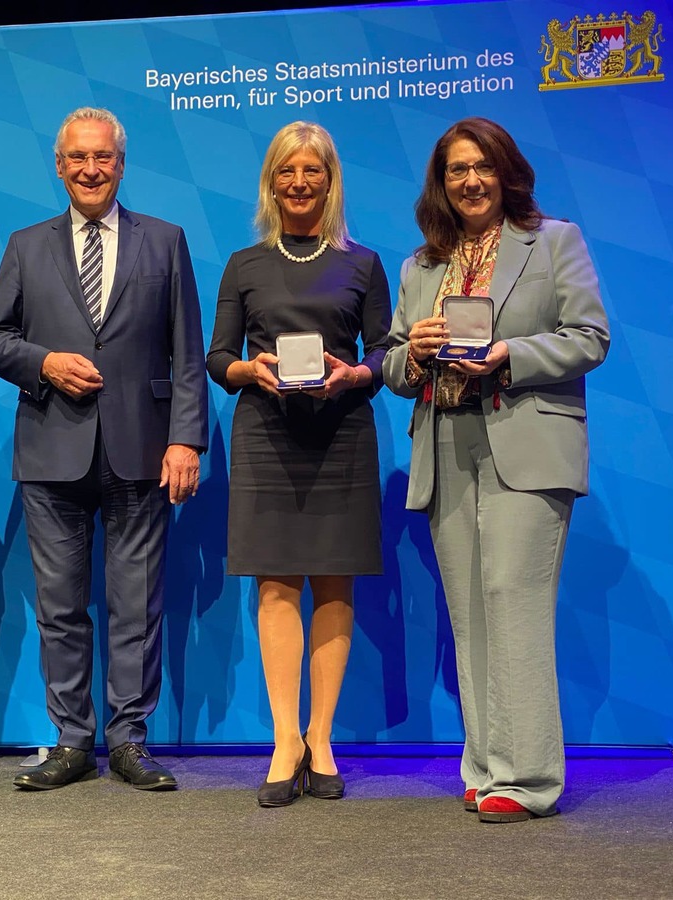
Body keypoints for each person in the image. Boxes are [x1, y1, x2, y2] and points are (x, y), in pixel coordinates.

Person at [382, 117, 610, 823]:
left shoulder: (554, 241)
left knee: (514, 598)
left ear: (505, 171)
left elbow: (590, 336)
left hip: (527, 439)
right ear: (440, 183)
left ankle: (530, 777)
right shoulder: (420, 266)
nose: (470, 180)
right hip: (447, 443)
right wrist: (414, 352)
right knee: (471, 612)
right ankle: (485, 766)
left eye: (481, 166)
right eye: (456, 170)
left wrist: (509, 353)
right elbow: (390, 363)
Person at [0, 107, 208, 791]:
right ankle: (72, 741)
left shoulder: (164, 241)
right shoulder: (27, 245)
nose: (90, 169)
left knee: (137, 605)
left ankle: (130, 740)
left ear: (120, 164)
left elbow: (187, 353)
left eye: (102, 158)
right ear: (59, 165)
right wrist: (46, 363)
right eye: (78, 158)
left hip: (142, 451)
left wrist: (186, 439)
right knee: (59, 605)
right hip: (52, 451)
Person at [206, 122, 392, 807]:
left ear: (330, 180)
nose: (300, 182)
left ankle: (322, 737)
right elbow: (216, 356)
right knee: (277, 586)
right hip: (266, 432)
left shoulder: (363, 265)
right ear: (272, 181)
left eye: (313, 170)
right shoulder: (244, 264)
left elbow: (385, 356)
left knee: (334, 584)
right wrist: (249, 370)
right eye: (288, 170)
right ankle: (285, 739)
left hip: (341, 433)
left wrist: (354, 375)